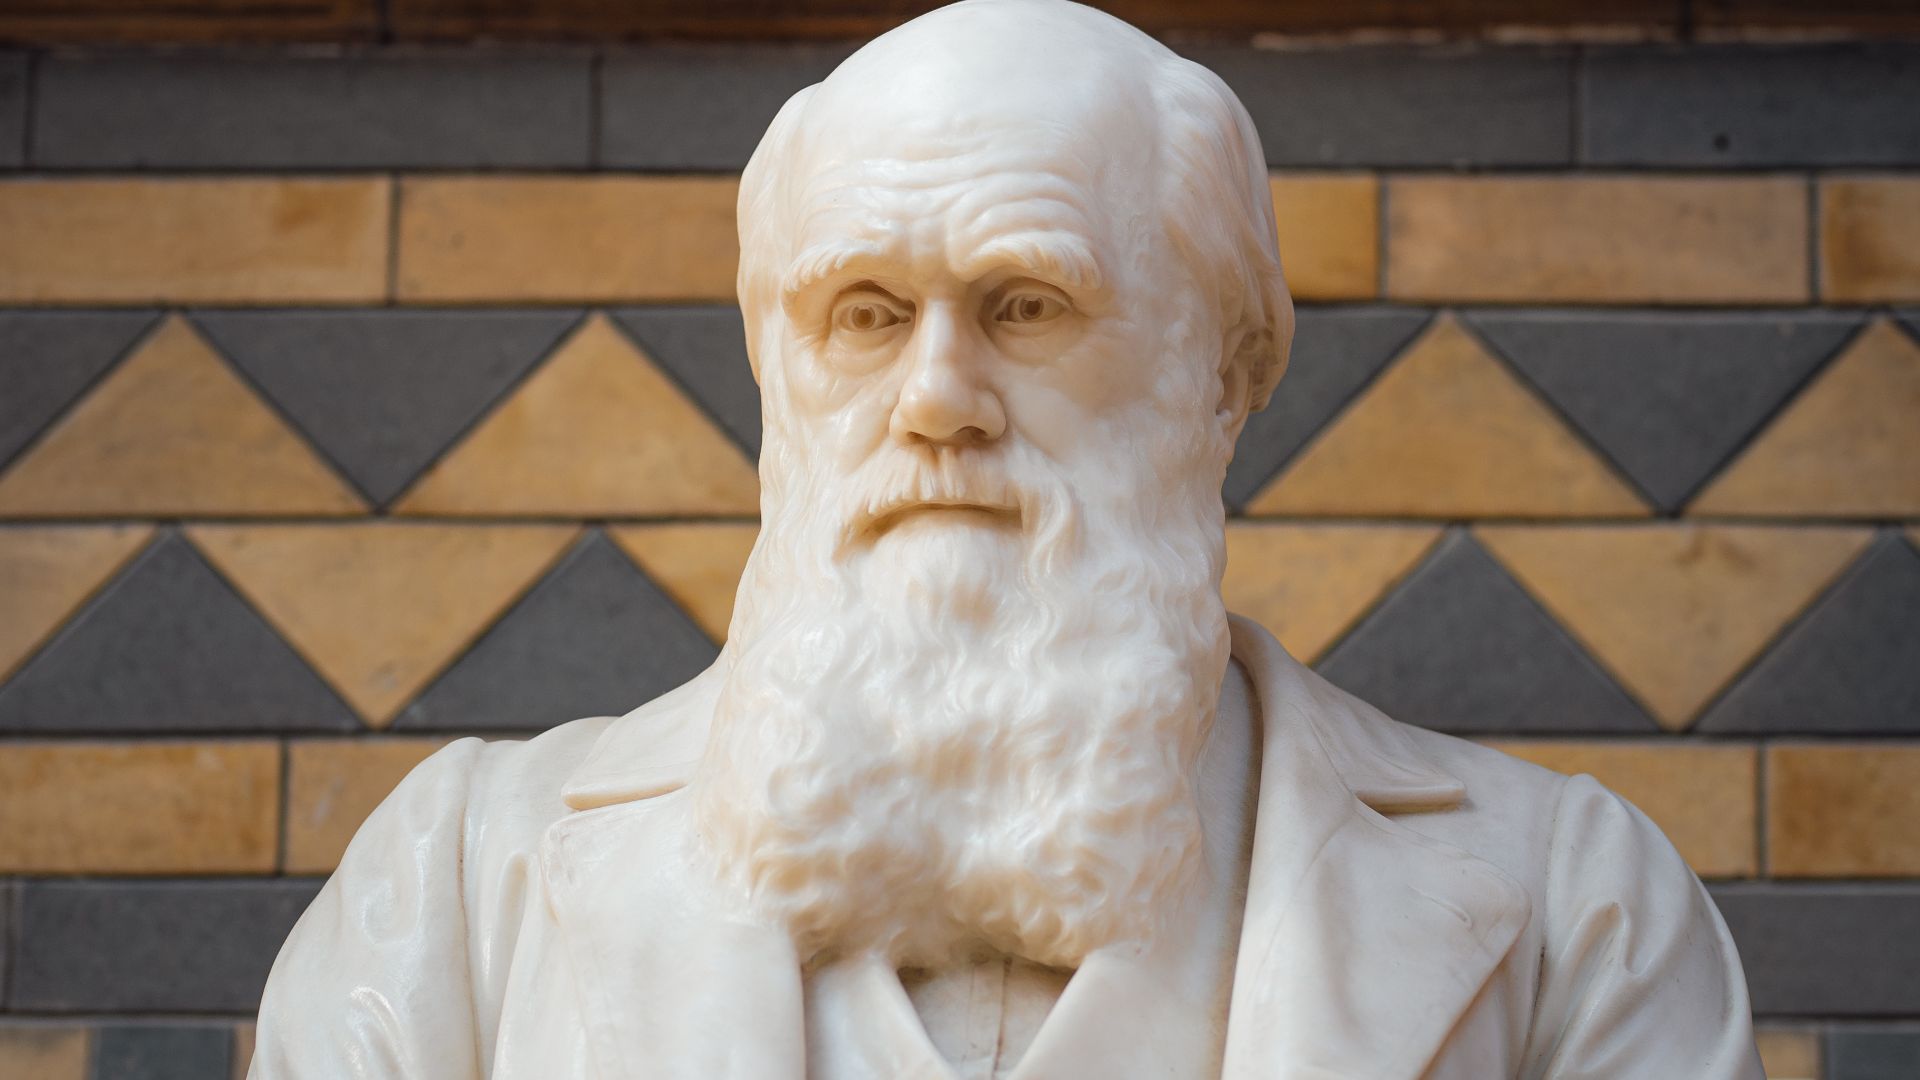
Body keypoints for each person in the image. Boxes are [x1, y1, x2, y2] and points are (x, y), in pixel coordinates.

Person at [250, 2, 1764, 1076]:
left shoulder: (1578, 913)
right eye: (863, 314)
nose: (935, 399)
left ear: (1224, 373)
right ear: (777, 371)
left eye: (1027, 305)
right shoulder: (450, 902)